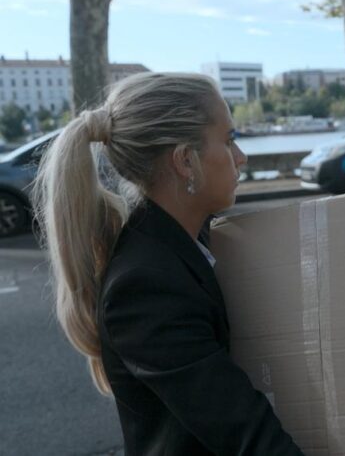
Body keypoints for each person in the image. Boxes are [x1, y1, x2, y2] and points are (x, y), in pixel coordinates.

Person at [34, 73, 304, 455]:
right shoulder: (146, 286)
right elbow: (248, 436)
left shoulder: (182, 241)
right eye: (229, 140)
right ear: (185, 161)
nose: (241, 158)